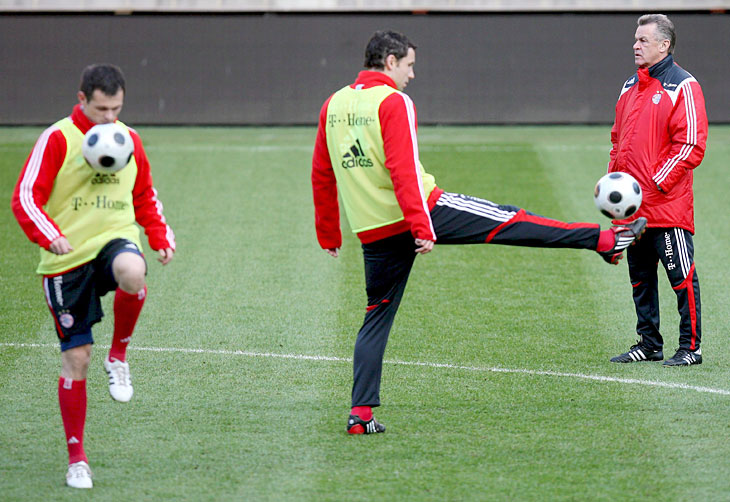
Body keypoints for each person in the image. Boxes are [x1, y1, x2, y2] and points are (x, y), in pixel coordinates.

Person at [311, 30, 647, 435]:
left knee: (376, 317)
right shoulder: (393, 102)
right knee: (510, 221)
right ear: (390, 62)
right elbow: (403, 170)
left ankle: (360, 415)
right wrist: (421, 226)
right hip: (424, 213)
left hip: (373, 231)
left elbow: (322, 172)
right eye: (409, 65)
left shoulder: (333, 104)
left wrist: (329, 234)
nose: (412, 75)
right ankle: (606, 240)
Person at [11, 64, 176, 488]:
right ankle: (77, 459)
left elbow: (144, 194)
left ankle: (118, 356)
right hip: (66, 258)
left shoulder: (128, 138)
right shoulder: (58, 138)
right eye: (101, 109)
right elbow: (25, 196)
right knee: (76, 359)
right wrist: (49, 235)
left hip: (113, 239)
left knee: (133, 271)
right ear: (82, 99)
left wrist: (158, 235)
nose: (109, 118)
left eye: (116, 108)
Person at [606, 14, 707, 366]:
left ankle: (690, 348)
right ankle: (649, 343)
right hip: (633, 208)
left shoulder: (684, 85)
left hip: (666, 207)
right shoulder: (629, 85)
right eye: (636, 39)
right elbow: (617, 140)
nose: (635, 45)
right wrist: (615, 186)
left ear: (664, 45)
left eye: (643, 40)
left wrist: (654, 184)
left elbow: (691, 144)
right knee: (641, 278)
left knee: (681, 277)